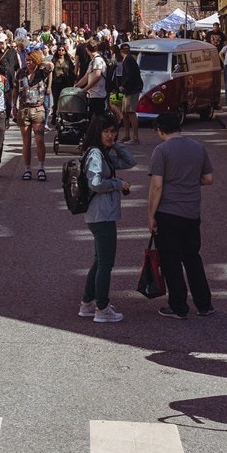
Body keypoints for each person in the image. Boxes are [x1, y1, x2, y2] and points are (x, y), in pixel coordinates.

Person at [146, 109, 216, 319]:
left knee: (171, 259)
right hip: (192, 211)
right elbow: (208, 179)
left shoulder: (161, 150)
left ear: (160, 130)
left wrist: (151, 215)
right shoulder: (198, 147)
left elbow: (157, 185)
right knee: (192, 257)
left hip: (168, 211)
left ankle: (178, 305)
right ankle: (204, 304)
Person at [77, 115, 136, 323]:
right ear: (97, 133)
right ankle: (102, 308)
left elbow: (131, 161)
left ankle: (87, 303)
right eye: (106, 132)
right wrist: (117, 184)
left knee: (99, 260)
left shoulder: (103, 153)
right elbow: (95, 183)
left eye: (113, 131)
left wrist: (116, 144)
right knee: (106, 263)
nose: (111, 135)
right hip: (101, 214)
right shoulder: (95, 154)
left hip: (100, 213)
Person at [16, 52, 49, 181]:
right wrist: (13, 104)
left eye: (31, 60)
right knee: (26, 142)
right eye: (27, 60)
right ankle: (27, 169)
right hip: (23, 109)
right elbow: (15, 89)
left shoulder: (42, 72)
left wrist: (39, 62)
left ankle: (41, 168)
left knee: (39, 140)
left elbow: (50, 65)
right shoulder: (20, 72)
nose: (28, 62)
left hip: (38, 109)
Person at [116, 43, 144, 144]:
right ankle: (127, 135)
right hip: (131, 89)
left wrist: (123, 85)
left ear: (120, 51)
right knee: (125, 112)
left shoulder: (127, 60)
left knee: (131, 112)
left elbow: (130, 75)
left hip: (132, 89)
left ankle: (135, 138)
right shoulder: (129, 59)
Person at [80, 40, 110, 118]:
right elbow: (86, 77)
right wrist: (76, 86)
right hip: (92, 94)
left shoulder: (98, 60)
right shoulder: (92, 61)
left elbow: (97, 76)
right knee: (91, 118)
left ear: (87, 50)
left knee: (98, 118)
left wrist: (85, 88)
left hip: (98, 94)